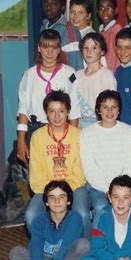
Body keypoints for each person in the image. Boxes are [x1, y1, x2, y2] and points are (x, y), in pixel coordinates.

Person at [25, 90, 89, 237]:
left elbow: (80, 168)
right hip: (45, 188)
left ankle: (87, 251)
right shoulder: (38, 136)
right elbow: (36, 170)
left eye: (61, 111)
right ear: (46, 113)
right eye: (52, 111)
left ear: (68, 112)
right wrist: (52, 192)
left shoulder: (78, 135)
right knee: (31, 214)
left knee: (83, 214)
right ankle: (48, 247)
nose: (57, 116)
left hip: (74, 185)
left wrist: (65, 189)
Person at [9, 181, 89, 260]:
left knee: (84, 245)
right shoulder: (39, 220)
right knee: (15, 252)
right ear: (46, 202)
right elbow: (36, 245)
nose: (57, 201)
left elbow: (66, 246)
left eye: (61, 197)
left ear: (69, 201)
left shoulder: (75, 218)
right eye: (52, 198)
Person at [16, 29, 80, 165]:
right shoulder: (29, 75)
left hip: (62, 131)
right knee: (38, 174)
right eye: (45, 47)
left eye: (54, 47)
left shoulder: (69, 74)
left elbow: (74, 111)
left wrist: (72, 139)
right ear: (39, 48)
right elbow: (23, 109)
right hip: (36, 130)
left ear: (59, 50)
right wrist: (21, 140)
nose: (49, 52)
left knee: (61, 173)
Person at [80, 90, 131, 222]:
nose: (110, 111)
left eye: (114, 107)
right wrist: (108, 189)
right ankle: (100, 241)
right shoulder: (87, 133)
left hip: (125, 184)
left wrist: (121, 191)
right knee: (101, 207)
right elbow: (89, 166)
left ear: (119, 110)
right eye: (105, 107)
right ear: (98, 110)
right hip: (98, 185)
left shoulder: (128, 130)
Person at [75, 33, 117, 128]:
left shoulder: (107, 75)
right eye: (86, 48)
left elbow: (110, 104)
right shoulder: (77, 75)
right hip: (78, 122)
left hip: (97, 122)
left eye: (94, 48)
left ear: (102, 51)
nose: (89, 52)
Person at [40, 0, 83, 70]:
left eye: (54, 3)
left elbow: (76, 66)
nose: (49, 7)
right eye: (46, 3)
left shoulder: (69, 31)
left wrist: (72, 82)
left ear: (63, 7)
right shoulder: (43, 28)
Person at [97, 0, 123, 72]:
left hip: (113, 75)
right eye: (101, 8)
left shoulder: (116, 29)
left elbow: (117, 57)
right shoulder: (100, 32)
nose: (104, 12)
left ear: (115, 10)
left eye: (108, 8)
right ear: (97, 12)